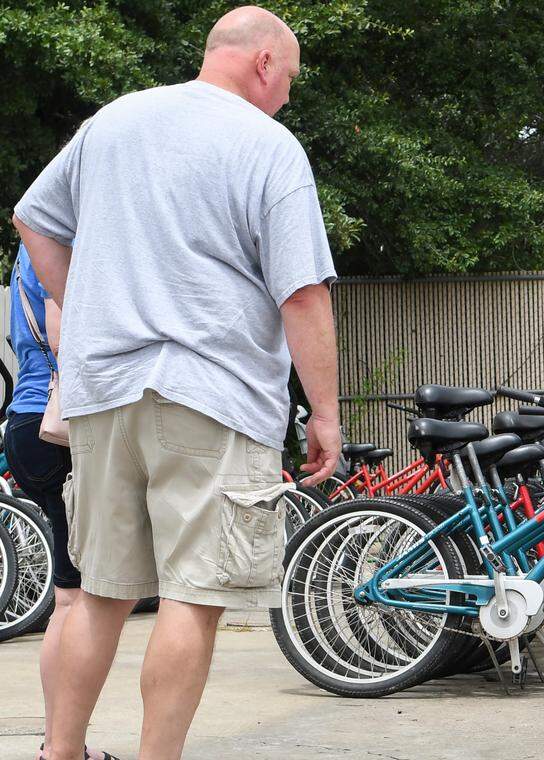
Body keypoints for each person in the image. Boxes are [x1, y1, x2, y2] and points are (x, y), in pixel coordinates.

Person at [11, 6, 341, 759]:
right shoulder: (267, 145)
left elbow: (34, 218)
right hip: (210, 394)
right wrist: (324, 412)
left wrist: (86, 309)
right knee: (194, 596)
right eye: (288, 78)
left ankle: (62, 751)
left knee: (100, 592)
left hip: (101, 394)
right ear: (263, 62)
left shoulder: (115, 121)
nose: (287, 94)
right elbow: (302, 295)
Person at [4, 244, 115, 760]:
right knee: (77, 599)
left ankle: (63, 743)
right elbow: (60, 331)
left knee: (67, 598)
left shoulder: (22, 256)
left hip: (26, 422)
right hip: (58, 426)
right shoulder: (53, 245)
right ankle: (61, 749)